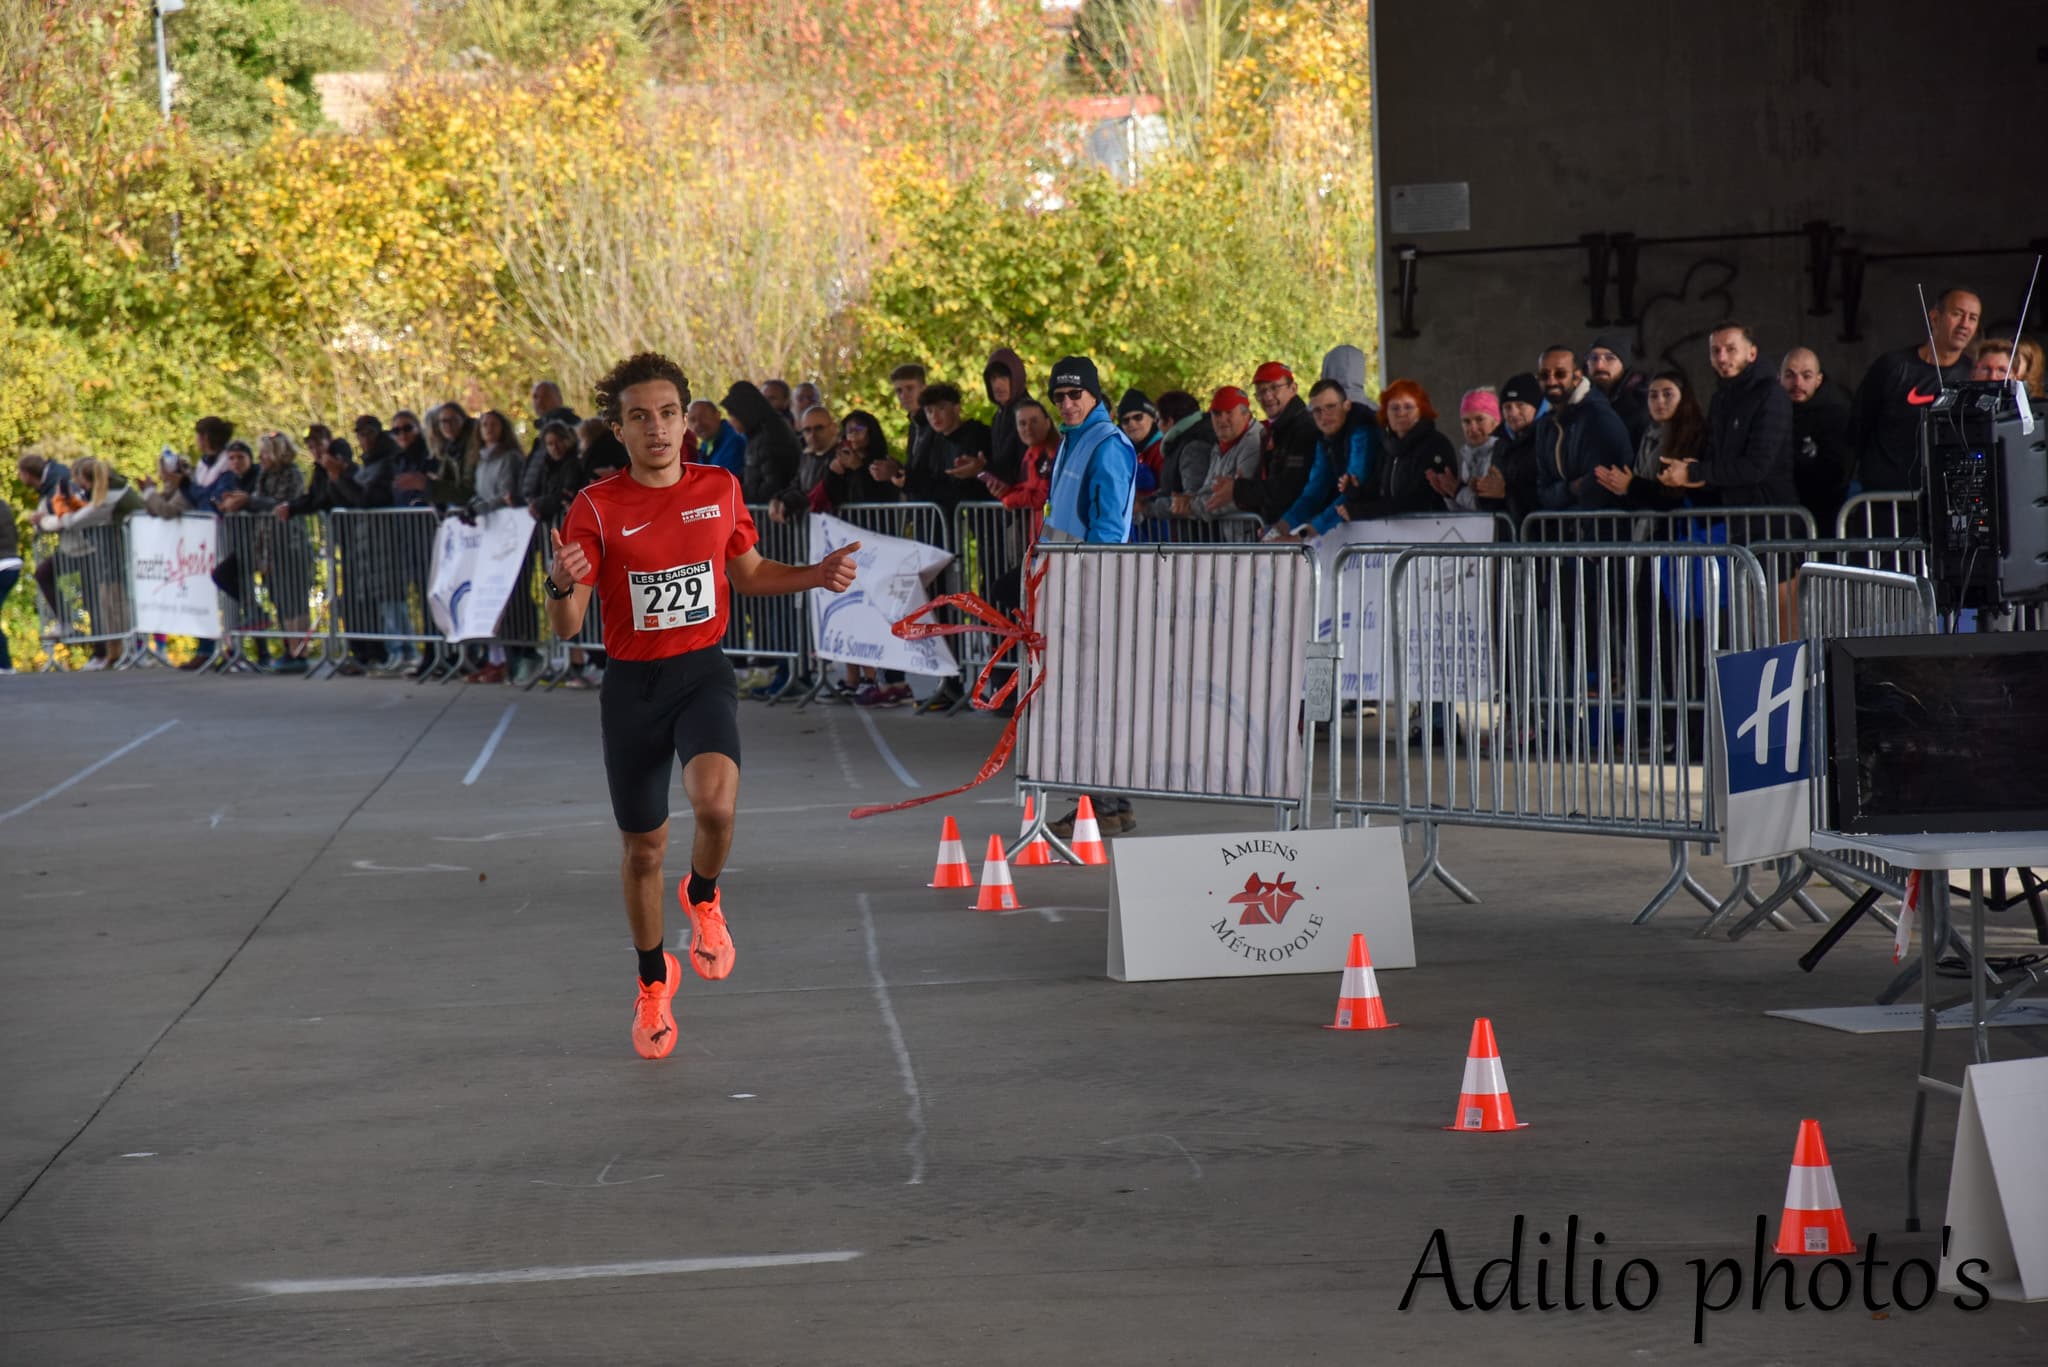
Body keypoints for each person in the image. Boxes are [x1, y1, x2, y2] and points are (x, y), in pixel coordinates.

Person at [544, 352, 860, 1060]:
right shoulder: (595, 507)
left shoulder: (719, 486)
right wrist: (560, 585)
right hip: (631, 688)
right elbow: (569, 626)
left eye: (666, 414)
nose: (655, 428)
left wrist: (816, 574)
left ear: (686, 421)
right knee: (642, 849)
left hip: (701, 672)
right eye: (638, 417)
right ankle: (653, 979)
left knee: (716, 805)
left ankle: (706, 894)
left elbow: (746, 573)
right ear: (619, 430)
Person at [1037, 356, 1140, 837]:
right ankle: (1108, 804)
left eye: (1075, 395)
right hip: (1070, 584)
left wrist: (1091, 584)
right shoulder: (1074, 441)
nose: (1067, 403)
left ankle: (1101, 806)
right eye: (1059, 396)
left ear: (1095, 395)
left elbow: (1109, 528)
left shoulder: (1106, 444)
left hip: (1093, 587)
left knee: (1092, 699)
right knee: (1088, 699)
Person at [1849, 286, 1979, 491]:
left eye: (1973, 318)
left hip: (1945, 495)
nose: (1965, 324)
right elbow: (1858, 426)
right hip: (1887, 500)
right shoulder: (1893, 366)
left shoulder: (1974, 375)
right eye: (1957, 314)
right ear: (1935, 318)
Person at [1657, 322, 1796, 508]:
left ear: (1752, 353)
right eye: (1715, 351)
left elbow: (1757, 467)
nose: (1722, 358)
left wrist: (1695, 472)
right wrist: (1692, 472)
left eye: (1731, 349)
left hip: (1771, 516)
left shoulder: (1770, 395)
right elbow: (1716, 458)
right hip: (1735, 516)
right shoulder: (1720, 399)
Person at [35, 456, 143, 668]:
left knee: (115, 604)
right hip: (115, 556)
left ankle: (124, 651)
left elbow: (75, 520)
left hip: (120, 557)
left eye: (79, 479)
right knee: (110, 603)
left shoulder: (108, 497)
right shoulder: (109, 491)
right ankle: (117, 652)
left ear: (86, 480)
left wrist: (56, 509)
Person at [1530, 344, 1634, 511]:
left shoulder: (1598, 417)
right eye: (1544, 375)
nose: (1551, 381)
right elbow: (1543, 492)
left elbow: (1599, 487)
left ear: (1577, 377)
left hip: (1602, 530)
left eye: (1560, 374)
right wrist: (1571, 489)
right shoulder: (1545, 425)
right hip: (1564, 530)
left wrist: (1564, 494)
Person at [1215, 361, 1318, 528]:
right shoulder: (1277, 430)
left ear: (1293, 388)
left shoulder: (1303, 429)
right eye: (1262, 391)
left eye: (1274, 388)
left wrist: (1238, 489)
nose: (1268, 396)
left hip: (1298, 529)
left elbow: (1291, 488)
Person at [1343, 380, 1457, 520]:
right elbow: (1379, 493)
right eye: (1394, 408)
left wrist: (1365, 511)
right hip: (1393, 534)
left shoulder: (1436, 445)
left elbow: (1419, 500)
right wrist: (1355, 492)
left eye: (1408, 407)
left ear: (1421, 410)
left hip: (1434, 531)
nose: (1401, 413)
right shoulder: (1386, 448)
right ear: (1386, 413)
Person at [1278, 378, 1376, 536]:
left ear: (1347, 406)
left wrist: (1306, 534)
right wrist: (1281, 527)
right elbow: (1315, 491)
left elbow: (1353, 488)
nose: (1324, 416)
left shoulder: (1363, 431)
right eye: (1317, 410)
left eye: (1331, 407)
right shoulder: (1324, 440)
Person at [1592, 370, 1701, 511]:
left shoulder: (1694, 435)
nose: (1659, 401)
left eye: (1668, 394)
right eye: (1653, 396)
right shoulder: (1648, 436)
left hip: (1684, 529)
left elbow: (1676, 496)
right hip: (1651, 527)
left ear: (1683, 398)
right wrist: (1623, 490)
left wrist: (1632, 486)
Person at [1779, 346, 1854, 534]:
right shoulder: (1770, 415)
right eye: (1790, 375)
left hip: (1825, 518)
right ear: (1778, 378)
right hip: (1781, 519)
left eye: (1806, 376)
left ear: (1818, 380)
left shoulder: (1836, 416)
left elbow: (1839, 472)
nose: (1797, 383)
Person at [1157, 387, 1261, 522]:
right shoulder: (1219, 446)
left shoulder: (1252, 443)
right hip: (1234, 537)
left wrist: (1190, 506)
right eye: (1217, 413)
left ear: (1246, 415)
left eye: (1229, 412)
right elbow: (1209, 488)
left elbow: (1237, 498)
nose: (1222, 419)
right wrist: (1191, 500)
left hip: (1253, 537)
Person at [1478, 372, 1544, 525]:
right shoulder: (1499, 442)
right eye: (1507, 407)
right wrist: (1482, 491)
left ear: (1536, 406)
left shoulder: (1548, 437)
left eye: (1521, 405)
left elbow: (1550, 493)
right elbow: (1494, 498)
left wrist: (1507, 492)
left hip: (1545, 535)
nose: (1513, 413)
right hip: (1510, 536)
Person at [720, 381, 802, 504]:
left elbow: (773, 485)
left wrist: (734, 494)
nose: (730, 421)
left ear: (744, 412)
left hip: (775, 516)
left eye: (732, 415)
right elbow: (753, 475)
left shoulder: (771, 435)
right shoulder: (756, 434)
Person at [769, 406, 839, 523]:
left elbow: (820, 491)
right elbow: (797, 485)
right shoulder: (806, 457)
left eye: (819, 428)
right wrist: (778, 498)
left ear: (833, 428)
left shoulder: (843, 456)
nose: (813, 434)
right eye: (807, 430)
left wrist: (790, 500)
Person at [1435, 389, 1501, 513]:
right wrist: (1449, 494)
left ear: (1495, 421)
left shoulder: (1500, 454)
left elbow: (1486, 504)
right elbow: (1465, 510)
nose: (1473, 427)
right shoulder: (1469, 456)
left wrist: (1457, 491)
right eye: (1466, 421)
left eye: (1480, 419)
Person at [1586, 333, 1651, 448]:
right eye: (1593, 358)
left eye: (1609, 358)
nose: (1599, 365)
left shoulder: (1642, 400)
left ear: (1623, 364)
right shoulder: (1582, 398)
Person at [983, 348, 1031, 484]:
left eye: (1004, 377)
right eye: (993, 378)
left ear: (1016, 377)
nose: (997, 384)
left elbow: (1024, 468)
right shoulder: (998, 416)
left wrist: (982, 468)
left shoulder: (1029, 413)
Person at [1114, 390, 1166, 496]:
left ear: (1152, 418)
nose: (1132, 423)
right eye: (1125, 420)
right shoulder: (1125, 452)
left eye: (1138, 417)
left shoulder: (1163, 449)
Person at [685, 400, 745, 479]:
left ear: (718, 415)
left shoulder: (735, 441)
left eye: (703, 416)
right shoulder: (706, 445)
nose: (698, 424)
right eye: (692, 420)